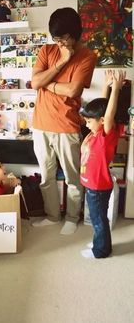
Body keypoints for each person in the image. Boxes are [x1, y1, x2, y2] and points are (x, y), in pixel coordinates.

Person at [31, 7, 97, 234]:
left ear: (74, 34)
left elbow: (72, 90)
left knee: (72, 177)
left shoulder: (88, 56)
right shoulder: (47, 51)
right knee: (46, 177)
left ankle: (71, 217)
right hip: (40, 125)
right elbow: (34, 82)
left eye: (62, 38)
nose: (58, 42)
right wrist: (61, 62)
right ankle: (52, 215)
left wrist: (46, 83)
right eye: (55, 38)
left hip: (67, 126)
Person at [80, 70, 126, 258]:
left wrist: (115, 89)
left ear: (101, 122)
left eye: (89, 121)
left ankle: (101, 250)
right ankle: (100, 242)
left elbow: (107, 116)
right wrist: (106, 88)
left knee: (99, 220)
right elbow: (102, 110)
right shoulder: (96, 132)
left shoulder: (105, 136)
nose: (87, 124)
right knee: (97, 220)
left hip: (98, 187)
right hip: (93, 185)